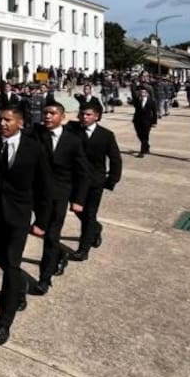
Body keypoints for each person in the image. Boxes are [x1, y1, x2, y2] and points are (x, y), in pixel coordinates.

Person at [0, 104, 51, 345]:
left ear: (21, 123)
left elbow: (45, 187)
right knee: (1, 259)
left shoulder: (34, 148)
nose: (2, 124)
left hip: (18, 216)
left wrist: (42, 221)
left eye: (7, 120)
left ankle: (3, 322)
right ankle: (20, 285)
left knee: (12, 264)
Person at [30, 101, 88, 295]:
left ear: (62, 117)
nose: (47, 116)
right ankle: (60, 253)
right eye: (45, 113)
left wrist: (78, 200)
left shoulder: (73, 140)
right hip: (36, 194)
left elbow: (82, 172)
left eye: (52, 114)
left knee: (52, 235)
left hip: (59, 195)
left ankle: (44, 279)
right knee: (44, 233)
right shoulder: (35, 134)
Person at [70, 105, 122, 261]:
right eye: (82, 114)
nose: (84, 117)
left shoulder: (106, 135)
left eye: (88, 115)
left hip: (95, 181)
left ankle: (83, 250)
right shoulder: (72, 130)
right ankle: (96, 228)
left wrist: (111, 180)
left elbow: (115, 159)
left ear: (97, 117)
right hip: (75, 180)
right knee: (79, 212)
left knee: (89, 213)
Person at [131, 86, 159, 157]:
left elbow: (155, 113)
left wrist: (154, 122)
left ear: (147, 93)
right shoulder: (137, 100)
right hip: (137, 121)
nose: (142, 93)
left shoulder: (152, 101)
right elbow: (133, 95)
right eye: (141, 92)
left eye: (144, 92)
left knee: (145, 136)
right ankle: (146, 147)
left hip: (147, 121)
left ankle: (142, 152)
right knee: (139, 135)